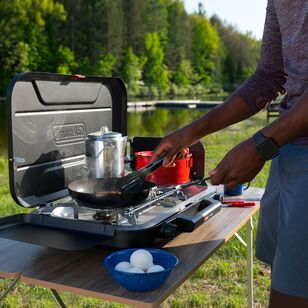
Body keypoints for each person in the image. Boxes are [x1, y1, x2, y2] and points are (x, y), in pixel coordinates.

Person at [152, 0, 308, 306]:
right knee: (285, 276)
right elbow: (268, 77)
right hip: (288, 152)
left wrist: (263, 144)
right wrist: (189, 133)